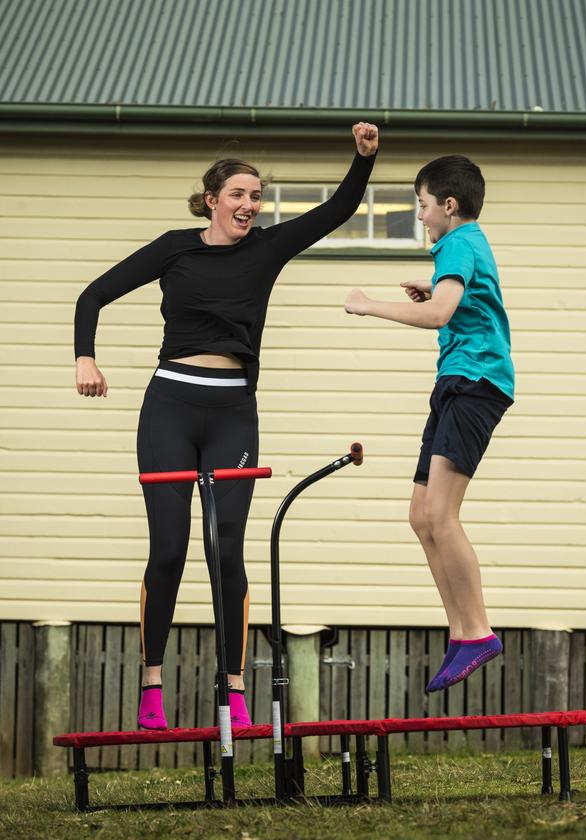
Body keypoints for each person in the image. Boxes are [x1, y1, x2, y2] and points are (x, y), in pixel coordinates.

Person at [75, 123, 379, 729]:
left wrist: (364, 158)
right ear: (212, 199)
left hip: (234, 412)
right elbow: (92, 296)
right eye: (238, 193)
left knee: (227, 550)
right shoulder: (174, 247)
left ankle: (233, 688)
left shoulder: (266, 249)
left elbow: (339, 208)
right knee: (168, 549)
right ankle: (152, 685)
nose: (249, 204)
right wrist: (85, 356)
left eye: (256, 195)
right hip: (170, 405)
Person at [344, 154, 514, 692]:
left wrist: (370, 306)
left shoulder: (462, 242)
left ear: (448, 204)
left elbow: (440, 314)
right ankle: (462, 634)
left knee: (442, 513)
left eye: (421, 204)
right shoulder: (456, 251)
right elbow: (458, 303)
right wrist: (434, 284)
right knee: (421, 514)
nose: (419, 215)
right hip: (455, 382)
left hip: (476, 382)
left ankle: (479, 631)